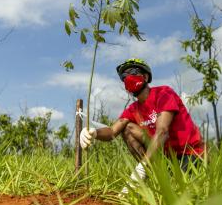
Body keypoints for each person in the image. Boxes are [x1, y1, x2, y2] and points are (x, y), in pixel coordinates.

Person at [80, 58, 204, 191]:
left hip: (189, 155)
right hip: (165, 157)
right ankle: (153, 175)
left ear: (145, 76)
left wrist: (142, 166)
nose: (128, 78)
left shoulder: (164, 93)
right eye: (124, 77)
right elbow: (112, 132)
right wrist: (94, 132)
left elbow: (162, 131)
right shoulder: (133, 109)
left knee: (183, 190)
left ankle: (144, 170)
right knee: (127, 128)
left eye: (132, 72)